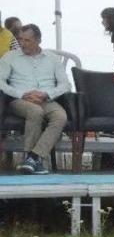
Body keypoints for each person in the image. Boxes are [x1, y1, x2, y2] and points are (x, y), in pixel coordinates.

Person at [0, 24, 72, 174]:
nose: (22, 44)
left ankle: (33, 158)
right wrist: (22, 94)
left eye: (27, 40)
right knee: (35, 111)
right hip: (20, 99)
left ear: (38, 40)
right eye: (21, 39)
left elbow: (65, 84)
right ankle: (31, 158)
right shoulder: (10, 57)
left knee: (60, 116)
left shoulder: (52, 58)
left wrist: (47, 94)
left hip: (46, 98)